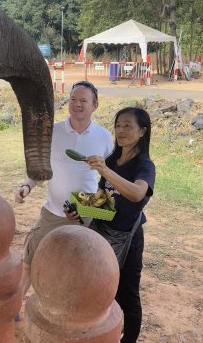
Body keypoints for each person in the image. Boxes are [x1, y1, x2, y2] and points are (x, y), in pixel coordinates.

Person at [15, 81, 113, 297]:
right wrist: (27, 186)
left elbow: (111, 179)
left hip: (87, 208)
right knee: (31, 258)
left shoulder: (104, 137)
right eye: (73, 99)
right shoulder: (53, 131)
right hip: (54, 208)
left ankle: (74, 306)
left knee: (83, 263)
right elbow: (41, 168)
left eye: (84, 101)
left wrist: (101, 203)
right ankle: (15, 304)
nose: (77, 104)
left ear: (95, 105)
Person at [67, 107, 155, 343]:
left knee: (128, 294)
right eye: (118, 125)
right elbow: (102, 199)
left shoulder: (144, 166)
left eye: (128, 126)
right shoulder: (112, 160)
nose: (121, 130)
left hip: (129, 237)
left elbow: (137, 194)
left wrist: (105, 170)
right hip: (103, 234)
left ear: (142, 132)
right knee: (104, 289)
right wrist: (79, 211)